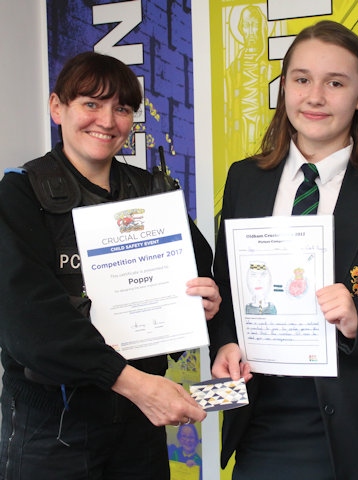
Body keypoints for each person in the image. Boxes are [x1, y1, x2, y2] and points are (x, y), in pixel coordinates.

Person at [209, 20, 358, 480]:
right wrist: (224, 340)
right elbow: (228, 290)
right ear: (285, 89)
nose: (314, 97)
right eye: (301, 79)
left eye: (335, 83)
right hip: (264, 423)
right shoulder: (245, 180)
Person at [0, 51, 220, 480]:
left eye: (121, 108)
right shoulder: (19, 196)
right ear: (57, 107)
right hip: (53, 429)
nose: (107, 120)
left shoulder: (152, 192)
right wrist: (136, 385)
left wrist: (204, 300)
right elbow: (28, 322)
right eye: (91, 103)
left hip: (138, 427)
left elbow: (199, 271)